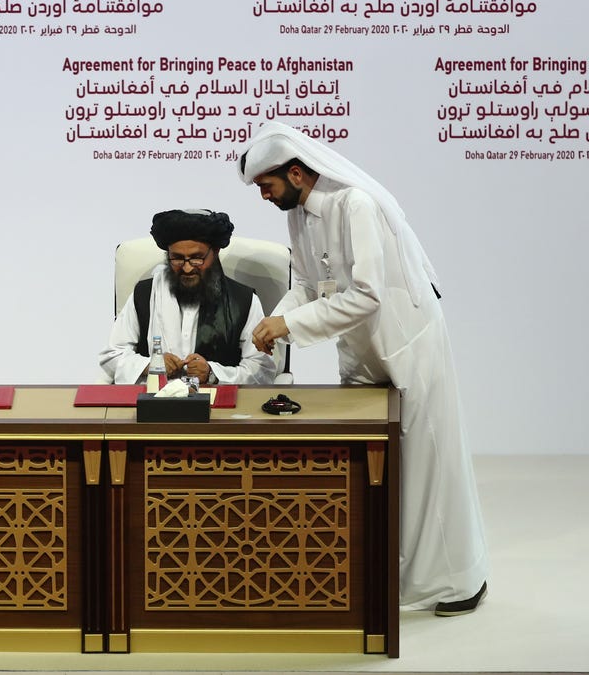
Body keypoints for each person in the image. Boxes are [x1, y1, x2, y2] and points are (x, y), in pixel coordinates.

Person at [237, 121, 489, 616]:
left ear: (294, 172)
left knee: (428, 466)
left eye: (266, 186)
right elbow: (310, 286)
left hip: (407, 346)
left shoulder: (357, 205)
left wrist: (289, 324)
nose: (264, 196)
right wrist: (275, 319)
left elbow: (369, 294)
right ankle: (381, 572)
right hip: (361, 351)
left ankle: (460, 580)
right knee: (371, 464)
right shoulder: (299, 215)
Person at [100, 209, 277, 386]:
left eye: (196, 259)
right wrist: (150, 365)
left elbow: (262, 370)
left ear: (214, 252)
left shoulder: (243, 300)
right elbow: (112, 356)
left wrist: (212, 373)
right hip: (154, 404)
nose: (187, 268)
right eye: (177, 259)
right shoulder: (144, 294)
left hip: (216, 408)